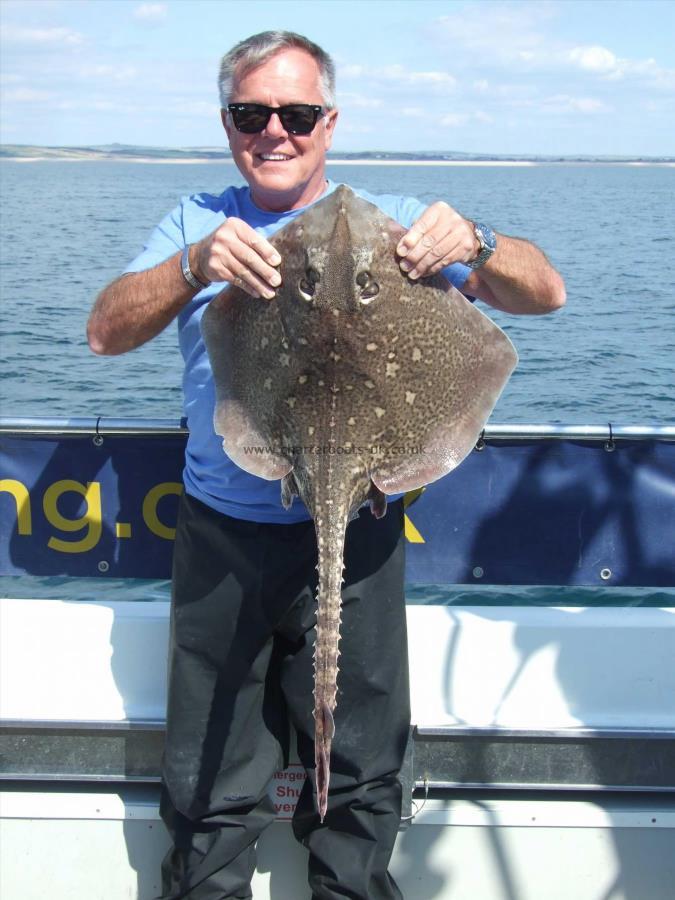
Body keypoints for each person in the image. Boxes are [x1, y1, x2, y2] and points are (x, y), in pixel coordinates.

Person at [87, 30, 565, 900]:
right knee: (209, 781)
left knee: (363, 776)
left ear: (329, 121)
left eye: (297, 113)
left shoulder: (400, 227)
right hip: (223, 540)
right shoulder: (199, 220)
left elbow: (546, 292)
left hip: (361, 528)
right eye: (251, 112)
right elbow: (103, 330)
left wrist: (478, 239)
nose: (274, 130)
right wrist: (194, 267)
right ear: (227, 122)